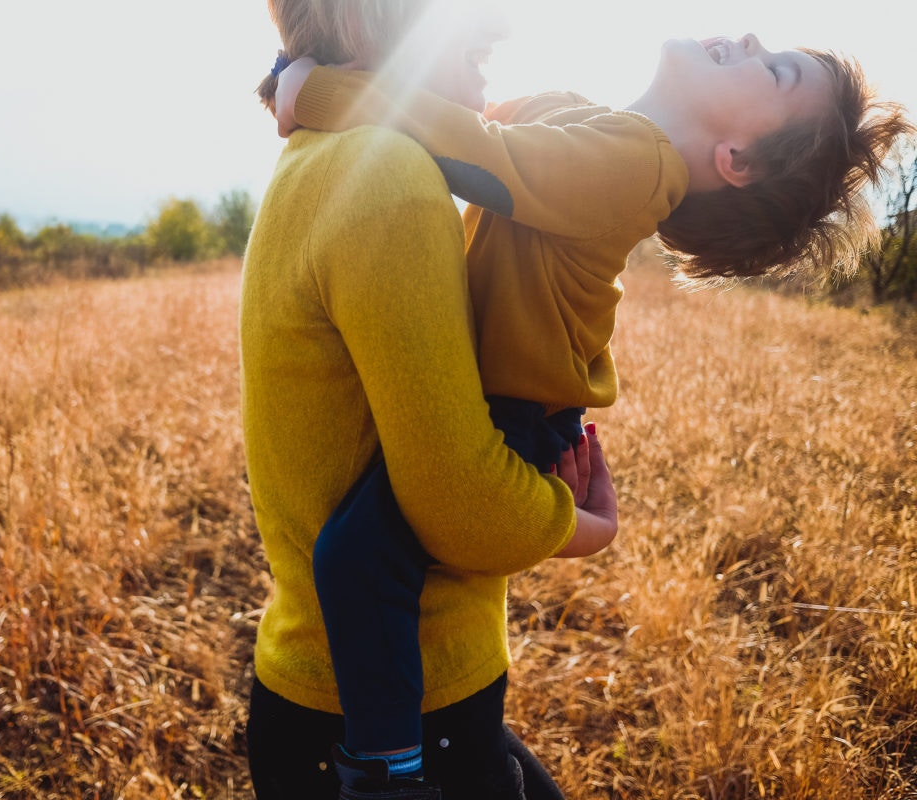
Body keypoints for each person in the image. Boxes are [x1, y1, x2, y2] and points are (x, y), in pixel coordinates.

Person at [268, 20, 912, 800]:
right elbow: (468, 115)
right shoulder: (593, 126)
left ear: (734, 160)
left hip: (515, 411)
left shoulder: (638, 166)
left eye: (776, 73)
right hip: (521, 399)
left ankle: (387, 770)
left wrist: (312, 88)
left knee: (359, 560)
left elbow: (472, 151)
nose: (748, 36)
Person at [241, 2, 618, 799]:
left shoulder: (326, 155)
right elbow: (459, 501)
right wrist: (582, 530)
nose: (501, 27)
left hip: (332, 687)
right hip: (396, 712)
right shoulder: (388, 177)